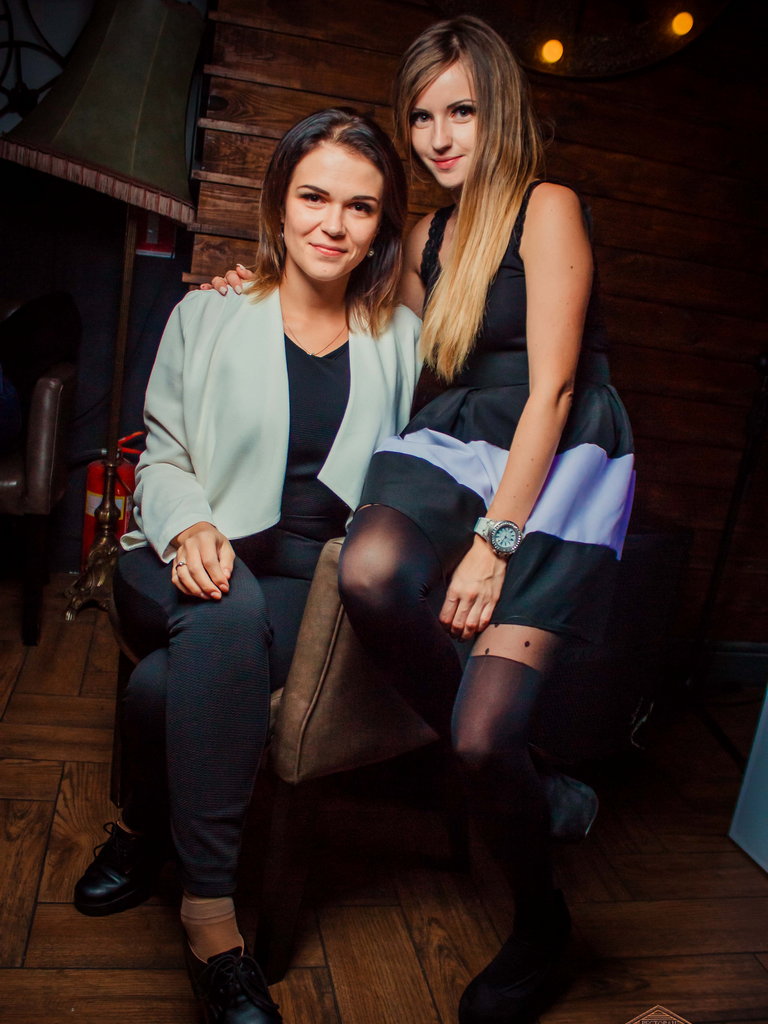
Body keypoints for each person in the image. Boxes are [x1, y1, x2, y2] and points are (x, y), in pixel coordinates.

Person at [209, 18, 634, 1022]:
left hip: (556, 453)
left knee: (483, 738)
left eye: (462, 111)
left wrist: (494, 543)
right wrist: (254, 292)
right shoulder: (429, 238)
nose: (439, 137)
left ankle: (542, 925)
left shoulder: (547, 206)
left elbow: (554, 387)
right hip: (457, 441)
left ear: (501, 110)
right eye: (422, 116)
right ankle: (530, 779)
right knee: (368, 571)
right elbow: (355, 319)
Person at [73, 108, 420, 1024]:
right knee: (221, 611)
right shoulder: (209, 312)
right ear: (278, 203)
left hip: (312, 585)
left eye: (359, 207)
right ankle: (213, 921)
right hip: (178, 551)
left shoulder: (403, 340)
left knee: (167, 686)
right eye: (313, 197)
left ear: (381, 226)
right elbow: (162, 457)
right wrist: (189, 525)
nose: (332, 225)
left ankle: (144, 831)